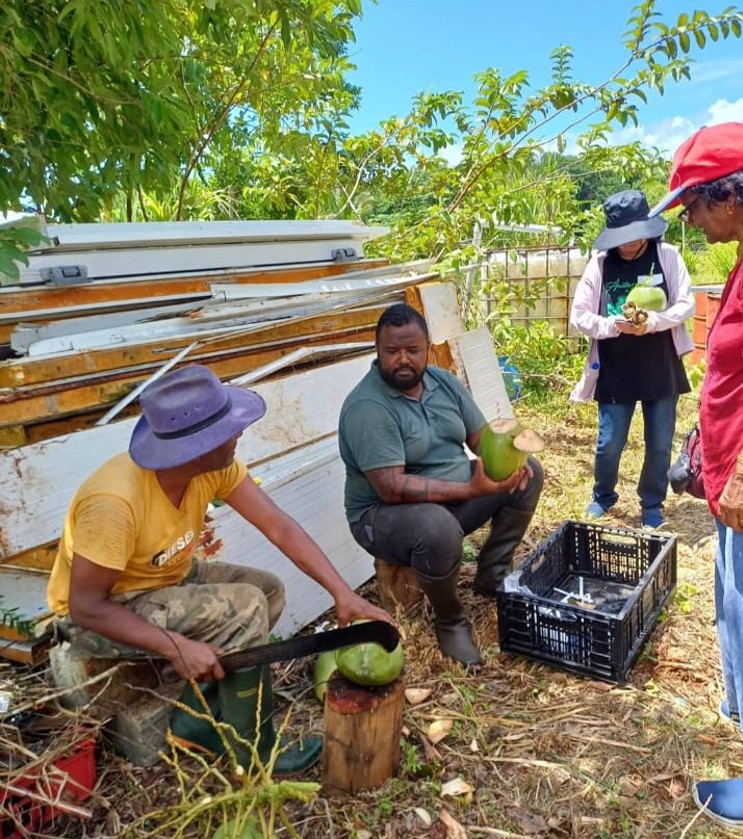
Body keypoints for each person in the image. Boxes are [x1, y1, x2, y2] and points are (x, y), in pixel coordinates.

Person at [47, 364, 392, 773]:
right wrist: (174, 646)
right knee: (245, 609)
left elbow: (278, 526)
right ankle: (254, 751)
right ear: (194, 446)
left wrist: (342, 593)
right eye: (229, 429)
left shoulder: (212, 468)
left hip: (165, 579)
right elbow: (85, 606)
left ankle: (198, 719)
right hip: (98, 614)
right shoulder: (114, 503)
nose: (239, 434)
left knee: (267, 591)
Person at [337, 302, 544, 667]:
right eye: (392, 351)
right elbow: (392, 488)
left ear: (428, 348)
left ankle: (492, 574)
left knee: (529, 476)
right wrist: (472, 490)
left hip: (450, 496)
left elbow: (481, 438)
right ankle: (450, 620)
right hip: (381, 515)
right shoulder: (367, 407)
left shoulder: (443, 382)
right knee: (438, 527)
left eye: (412, 350)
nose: (403, 359)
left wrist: (510, 463)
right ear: (377, 351)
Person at [650, 121, 743, 826]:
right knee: (733, 597)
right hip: (725, 468)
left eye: (693, 204)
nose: (687, 218)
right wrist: (705, 440)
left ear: (732, 195)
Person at [570, 189, 695, 529]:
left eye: (633, 237)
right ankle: (603, 495)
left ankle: (652, 502)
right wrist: (613, 325)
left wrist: (653, 322)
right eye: (620, 238)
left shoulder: (667, 256)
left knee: (658, 442)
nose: (627, 245)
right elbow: (578, 315)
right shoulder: (600, 264)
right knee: (609, 442)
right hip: (615, 368)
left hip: (660, 366)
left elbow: (685, 304)